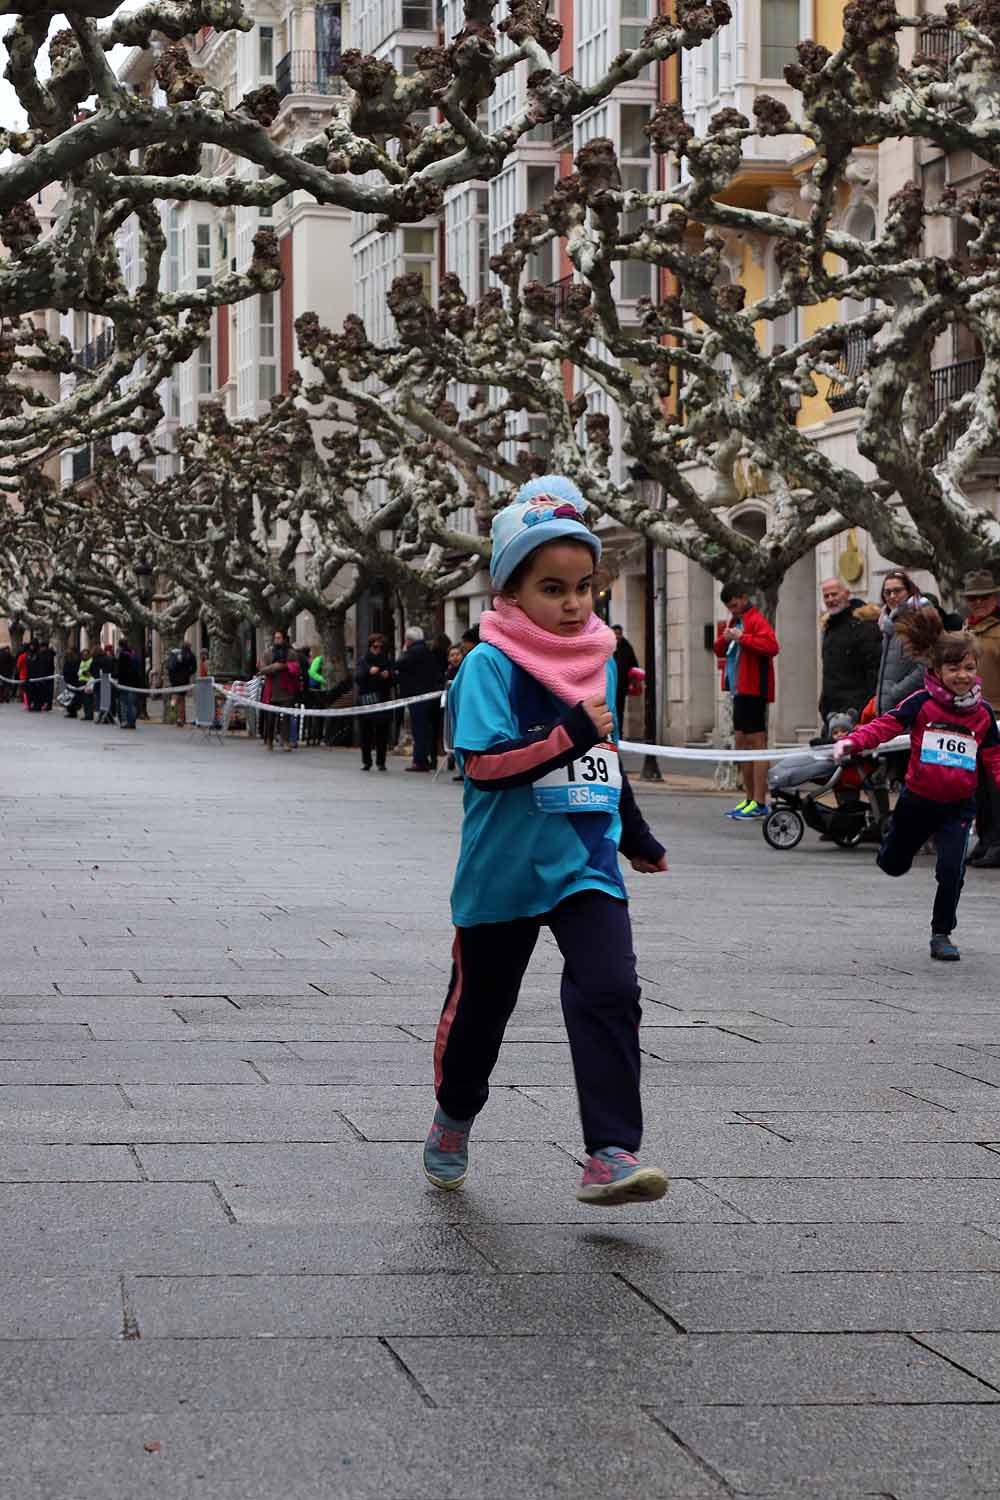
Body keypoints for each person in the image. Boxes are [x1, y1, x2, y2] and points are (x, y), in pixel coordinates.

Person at [423, 474, 669, 1207]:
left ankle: (610, 1153)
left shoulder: (599, 660)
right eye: (552, 589)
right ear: (510, 594)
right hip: (502, 872)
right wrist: (567, 732)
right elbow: (486, 764)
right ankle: (453, 1118)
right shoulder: (487, 666)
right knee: (480, 1018)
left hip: (583, 863)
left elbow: (605, 756)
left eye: (584, 588)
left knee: (611, 990)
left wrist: (636, 837)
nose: (572, 605)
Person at [835, 607, 1000, 962]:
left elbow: (995, 759)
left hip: (958, 806)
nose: (962, 675)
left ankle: (942, 933)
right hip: (917, 801)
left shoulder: (984, 714)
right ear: (937, 670)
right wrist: (853, 741)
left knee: (951, 869)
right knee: (893, 865)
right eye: (954, 668)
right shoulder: (922, 703)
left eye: (969, 668)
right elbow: (885, 726)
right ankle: (893, 846)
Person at [713, 581, 780, 819]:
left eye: (734, 605)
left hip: (753, 689)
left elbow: (772, 646)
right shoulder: (735, 620)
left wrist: (743, 637)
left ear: (743, 598)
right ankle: (749, 798)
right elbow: (719, 650)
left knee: (756, 744)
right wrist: (726, 637)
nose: (732, 610)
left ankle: (760, 801)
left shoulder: (755, 619)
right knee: (742, 743)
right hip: (738, 689)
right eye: (729, 607)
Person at [962, 570, 1000, 867]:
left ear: (995, 598)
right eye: (973, 598)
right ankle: (986, 838)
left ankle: (998, 841)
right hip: (969, 717)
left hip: (997, 716)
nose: (978, 603)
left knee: (995, 784)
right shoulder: (966, 631)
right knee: (978, 785)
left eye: (984, 597)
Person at [818, 578, 881, 722]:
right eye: (826, 596)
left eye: (834, 594)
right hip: (832, 709)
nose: (830, 599)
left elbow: (873, 669)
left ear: (846, 594)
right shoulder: (829, 627)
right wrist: (824, 705)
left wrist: (866, 707)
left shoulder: (863, 625)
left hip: (857, 708)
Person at [875, 571, 936, 714]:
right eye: (887, 592)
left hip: (910, 707)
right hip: (888, 708)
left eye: (897, 591)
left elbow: (926, 666)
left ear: (909, 591)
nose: (892, 596)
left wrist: (896, 692)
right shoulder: (887, 622)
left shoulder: (919, 617)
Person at [396, 625, 441, 772]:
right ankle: (429, 758)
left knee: (419, 729)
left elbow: (399, 664)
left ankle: (419, 760)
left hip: (416, 696)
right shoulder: (427, 651)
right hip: (429, 694)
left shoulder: (412, 652)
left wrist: (403, 652)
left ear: (408, 640)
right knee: (427, 729)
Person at [354, 632, 395, 771]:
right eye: (375, 647)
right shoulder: (363, 660)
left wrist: (388, 675)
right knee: (365, 732)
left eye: (381, 647)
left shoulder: (386, 660)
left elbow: (394, 679)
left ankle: (381, 761)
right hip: (367, 700)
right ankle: (366, 761)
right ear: (370, 647)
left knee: (382, 733)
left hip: (383, 700)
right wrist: (369, 672)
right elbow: (357, 678)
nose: (378, 650)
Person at [259, 629, 300, 752]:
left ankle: (286, 741)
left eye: (279, 638)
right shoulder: (267, 653)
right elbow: (262, 669)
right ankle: (269, 741)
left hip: (286, 690)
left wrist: (286, 666)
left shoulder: (291, 653)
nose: (277, 640)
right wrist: (274, 667)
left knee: (287, 717)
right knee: (270, 718)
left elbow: (296, 668)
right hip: (271, 691)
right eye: (276, 638)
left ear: (284, 639)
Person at [611, 625, 639, 733]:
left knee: (619, 709)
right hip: (608, 685)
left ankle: (618, 731)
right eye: (615, 634)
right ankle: (610, 732)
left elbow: (633, 665)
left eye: (619, 634)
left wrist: (634, 681)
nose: (617, 636)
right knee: (609, 709)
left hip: (622, 685)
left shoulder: (627, 647)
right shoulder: (606, 646)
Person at [166, 641, 196, 726]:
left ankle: (172, 712)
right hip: (184, 680)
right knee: (182, 700)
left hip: (174, 680)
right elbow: (194, 668)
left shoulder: (176, 654)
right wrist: (188, 674)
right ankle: (181, 718)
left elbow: (170, 667)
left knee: (174, 697)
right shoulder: (191, 655)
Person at [115, 640, 141, 729]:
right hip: (134, 683)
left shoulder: (122, 655)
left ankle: (125, 721)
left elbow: (120, 670)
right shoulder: (133, 654)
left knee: (123, 703)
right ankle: (132, 721)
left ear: (120, 646)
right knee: (132, 704)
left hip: (124, 683)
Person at [61, 644, 81, 717]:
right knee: (69, 696)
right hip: (69, 679)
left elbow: (75, 670)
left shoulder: (76, 660)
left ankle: (72, 711)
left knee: (73, 696)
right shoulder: (68, 659)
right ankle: (70, 711)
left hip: (73, 680)